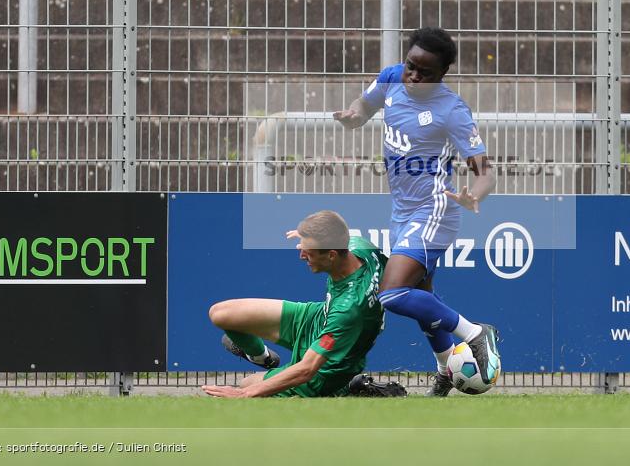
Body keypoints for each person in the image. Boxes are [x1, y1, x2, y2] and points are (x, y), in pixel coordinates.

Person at [333, 27, 499, 396]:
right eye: (411, 66)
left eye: (425, 73)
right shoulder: (392, 77)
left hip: (435, 208)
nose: (414, 76)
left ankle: (475, 334)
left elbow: (485, 171)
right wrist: (353, 116)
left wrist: (475, 195)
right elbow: (364, 107)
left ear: (441, 75)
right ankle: (444, 370)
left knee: (392, 293)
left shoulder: (451, 109)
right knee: (423, 296)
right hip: (402, 212)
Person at [202, 210, 395, 398]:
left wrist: (245, 393)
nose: (302, 255)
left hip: (326, 369)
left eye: (308, 252)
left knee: (247, 383)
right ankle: (262, 358)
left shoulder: (348, 309)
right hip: (316, 318)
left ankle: (346, 386)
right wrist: (308, 236)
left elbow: (308, 369)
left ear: (331, 255)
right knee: (220, 314)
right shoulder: (360, 246)